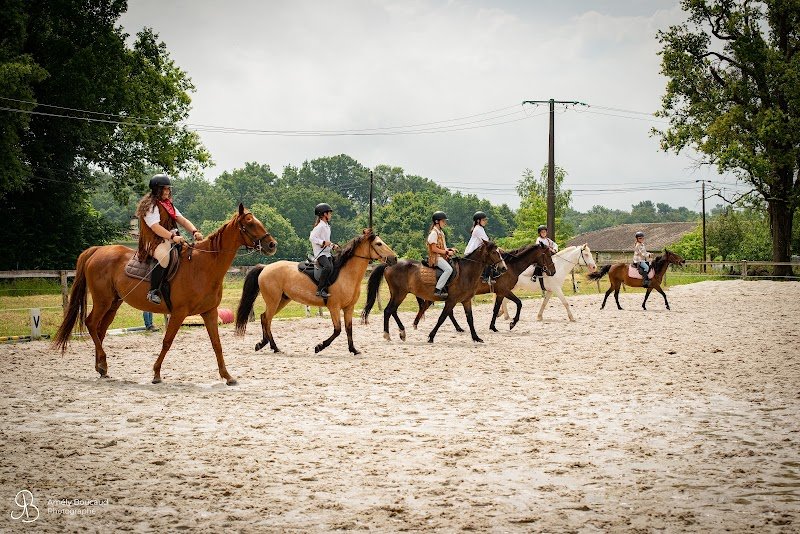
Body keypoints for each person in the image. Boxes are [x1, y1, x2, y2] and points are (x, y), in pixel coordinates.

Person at [136, 173, 203, 305]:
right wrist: (173, 237)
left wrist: (194, 231)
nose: (167, 191)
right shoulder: (151, 206)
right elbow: (155, 227)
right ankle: (153, 291)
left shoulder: (167, 204)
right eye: (164, 189)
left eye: (168, 189)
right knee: (164, 258)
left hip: (169, 238)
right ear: (157, 190)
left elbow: (182, 220)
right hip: (152, 241)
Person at [309, 203, 339, 299]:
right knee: (327, 267)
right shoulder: (320, 226)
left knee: (335, 266)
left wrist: (332, 245)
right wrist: (322, 242)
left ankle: (329, 287)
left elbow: (327, 242)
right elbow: (312, 238)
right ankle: (320, 290)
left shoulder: (327, 226)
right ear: (324, 214)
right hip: (320, 254)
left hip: (327, 253)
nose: (331, 215)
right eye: (329, 213)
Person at [427, 211, 457, 298]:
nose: (445, 223)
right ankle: (438, 289)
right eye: (443, 221)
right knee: (448, 269)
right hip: (435, 257)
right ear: (437, 222)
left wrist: (450, 249)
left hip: (441, 256)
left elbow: (442, 248)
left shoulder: (441, 232)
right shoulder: (434, 233)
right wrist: (447, 252)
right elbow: (433, 248)